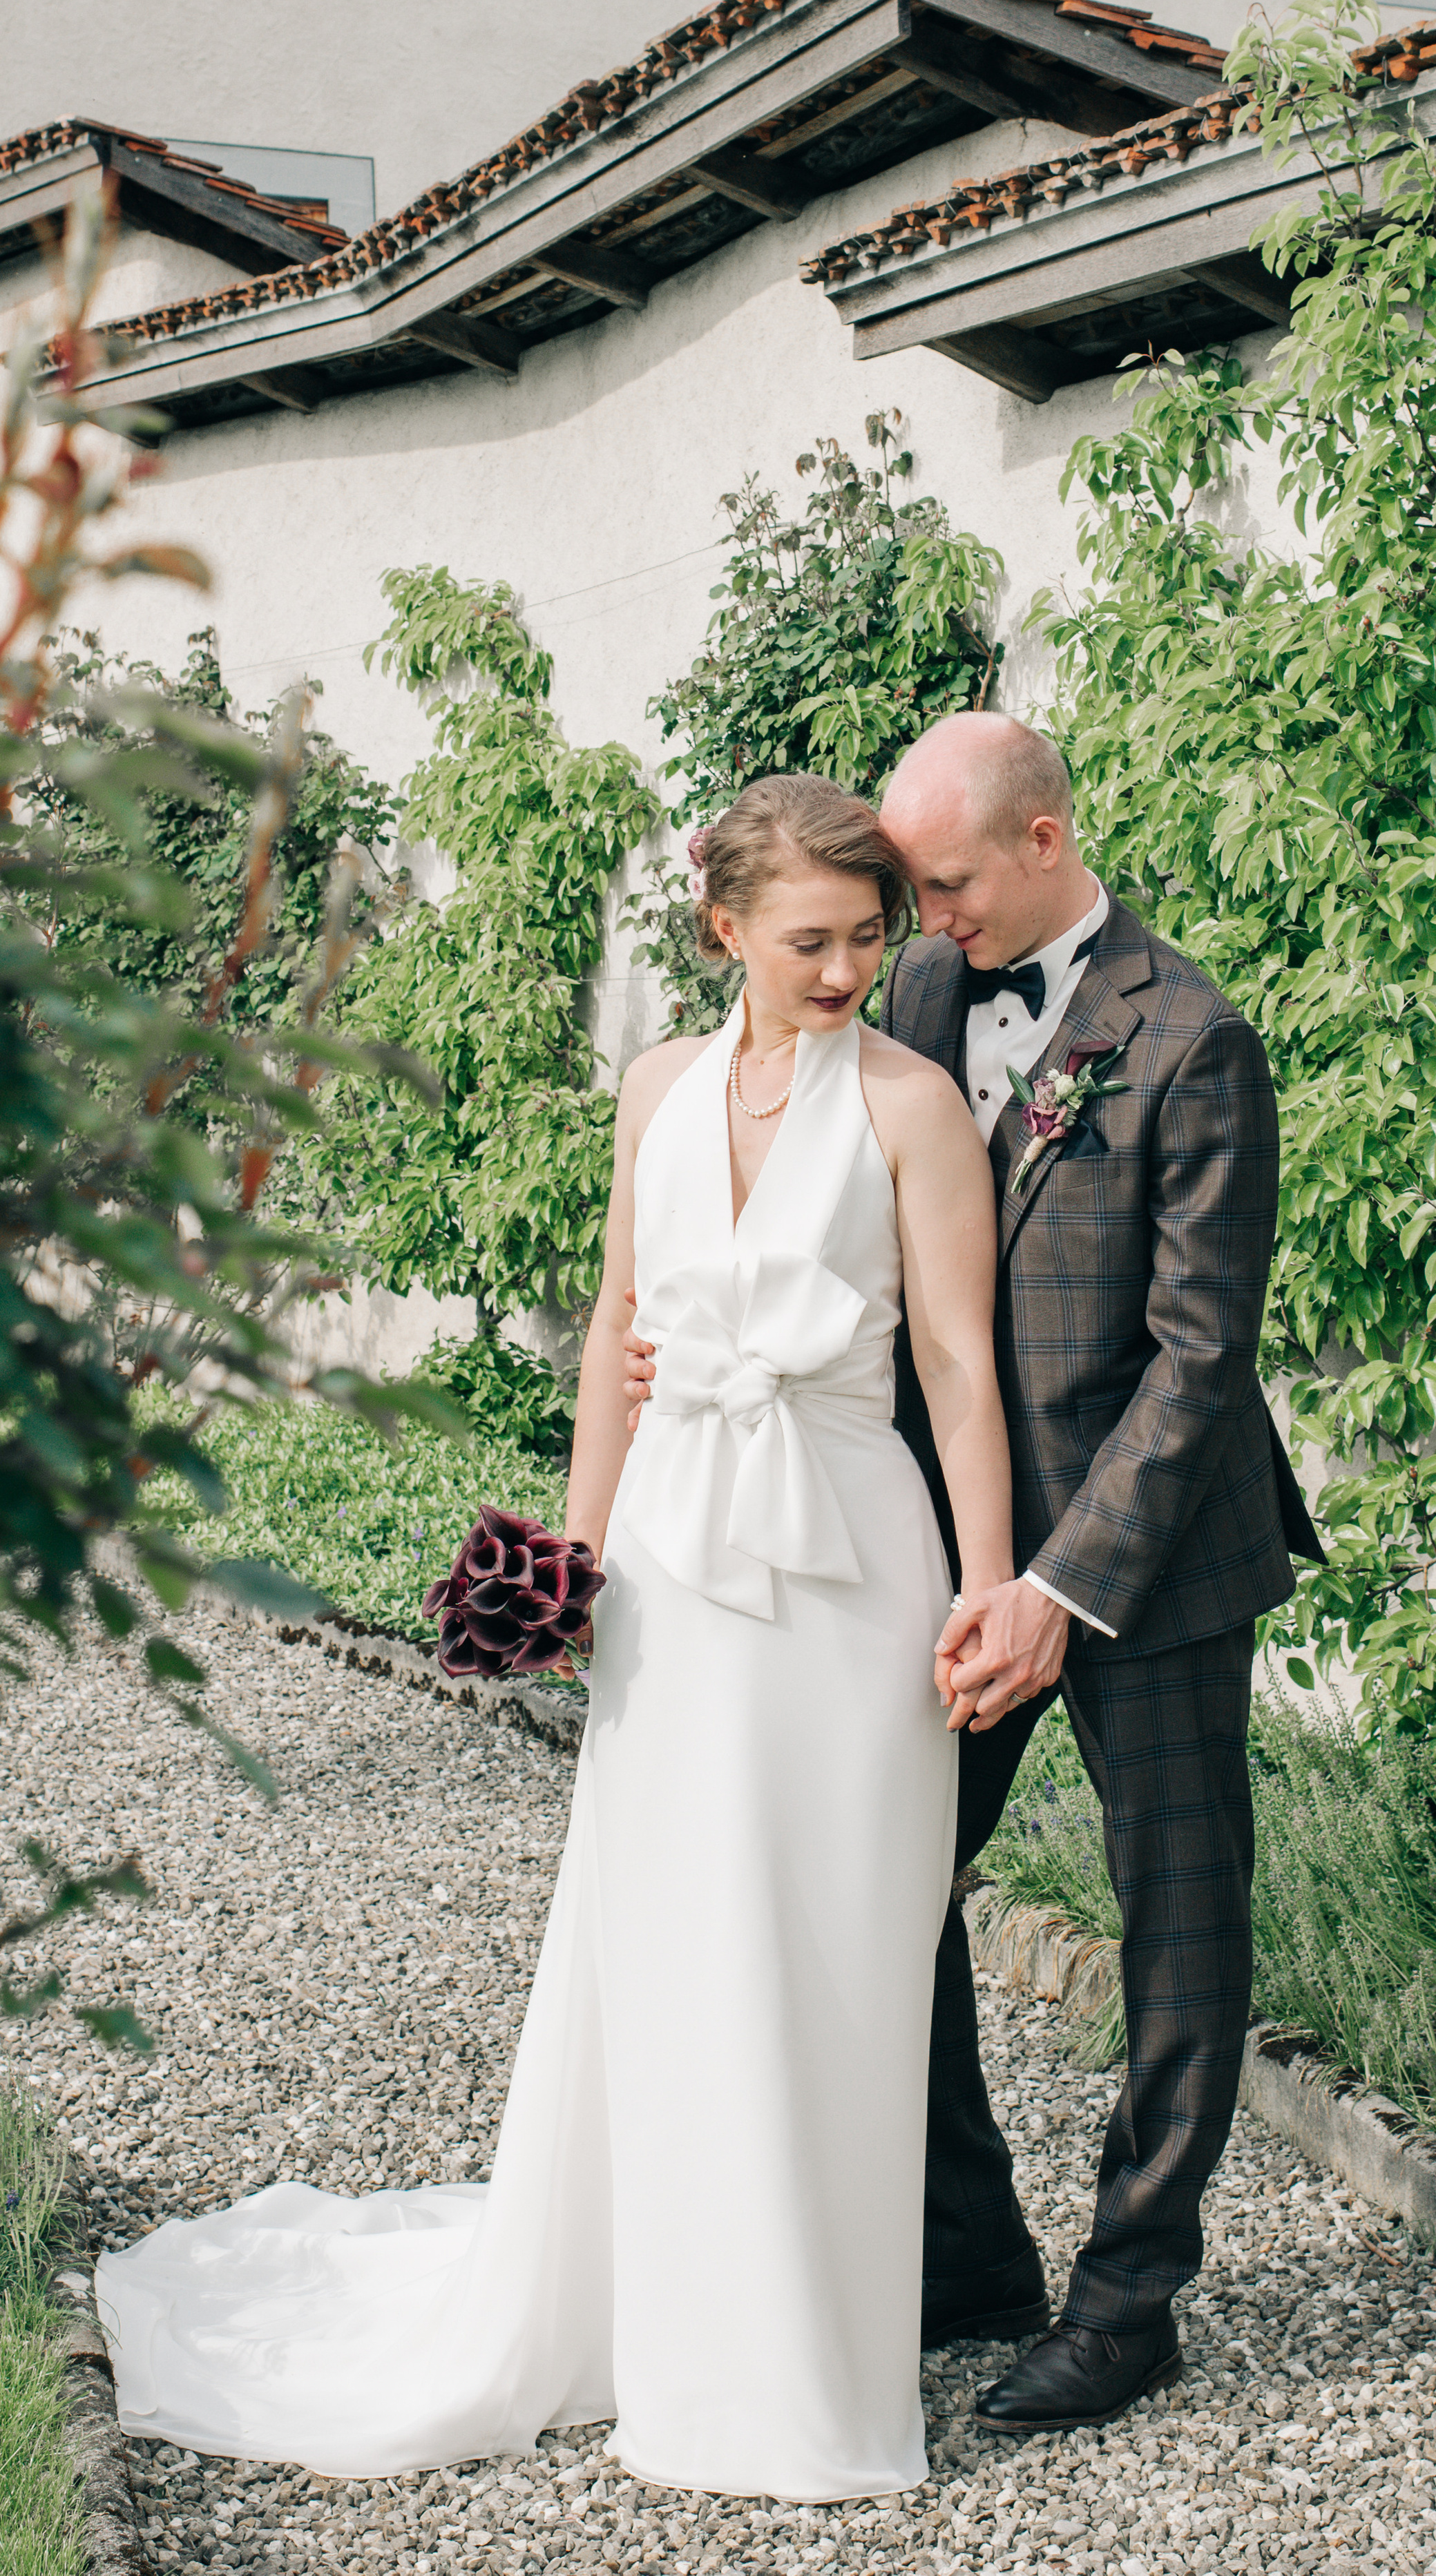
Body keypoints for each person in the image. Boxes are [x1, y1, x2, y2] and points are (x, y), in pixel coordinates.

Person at [95, 773, 1017, 2502]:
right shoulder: (657, 1087)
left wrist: (988, 1588)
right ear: (723, 929)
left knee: (834, 1956)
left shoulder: (912, 1106)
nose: (845, 971)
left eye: (868, 938)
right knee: (670, 1945)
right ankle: (660, 2329)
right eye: (810, 941)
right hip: (673, 1561)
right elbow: (615, 1325)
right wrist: (568, 1564)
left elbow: (956, 1368)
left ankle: (808, 2373)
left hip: (847, 1568)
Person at [632, 717, 1321, 2436]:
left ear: (1040, 837)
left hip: (1148, 1569)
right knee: (888, 1883)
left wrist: (1055, 1586)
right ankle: (968, 2251)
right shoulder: (922, 1000)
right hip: (941, 1551)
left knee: (1176, 1929)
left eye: (935, 886)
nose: (908, 927)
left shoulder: (1194, 1039)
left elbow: (1196, 1361)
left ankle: (1127, 2300)